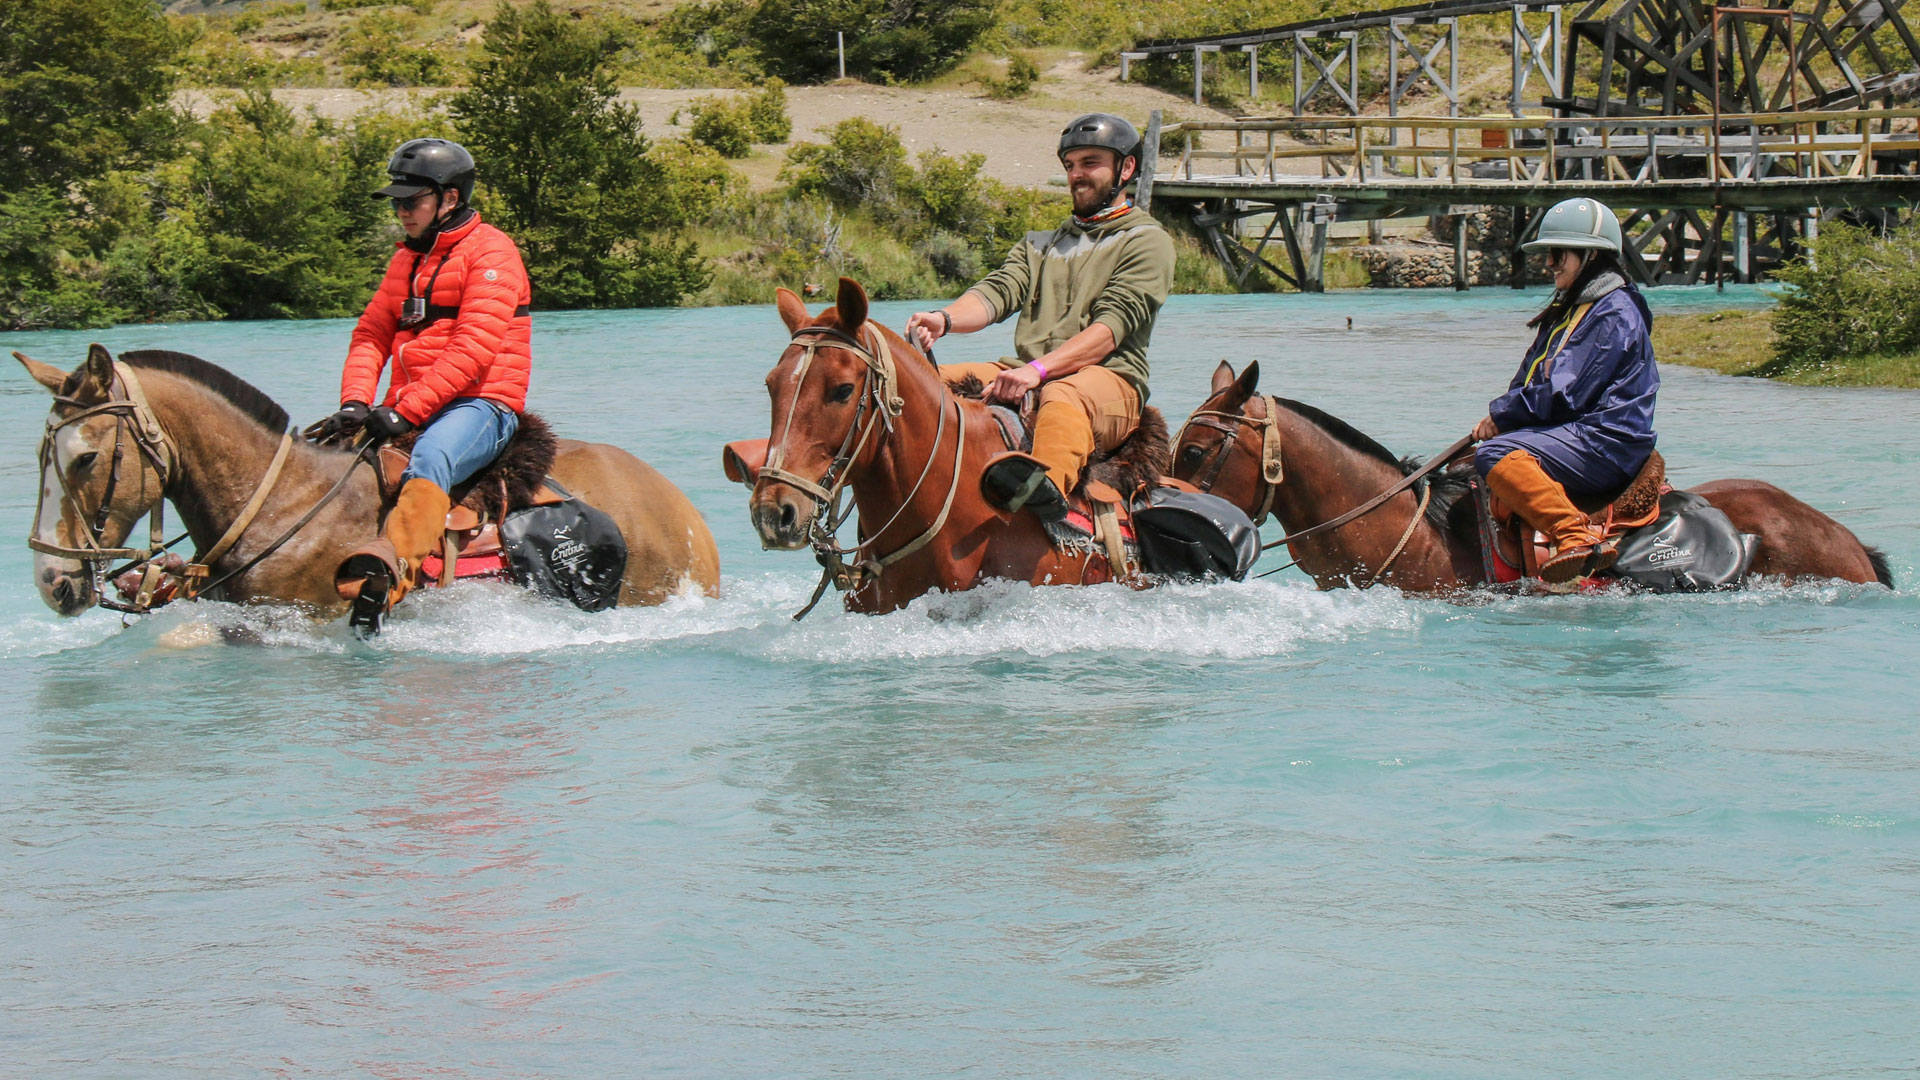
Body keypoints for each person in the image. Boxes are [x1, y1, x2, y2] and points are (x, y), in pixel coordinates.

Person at [905, 113, 1175, 522]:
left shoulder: (1148, 241)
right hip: (1024, 368)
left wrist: (1038, 371)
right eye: (1070, 165)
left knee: (1060, 397)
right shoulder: (1040, 244)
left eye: (1090, 163)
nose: (1077, 175)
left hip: (1109, 379)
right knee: (918, 384)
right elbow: (997, 292)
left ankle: (1043, 510)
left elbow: (1110, 330)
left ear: (1127, 167)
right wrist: (944, 319)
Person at [308, 137, 533, 621]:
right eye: (397, 203)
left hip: (482, 404)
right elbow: (371, 333)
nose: (402, 212)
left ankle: (393, 577)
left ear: (449, 198)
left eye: (412, 201)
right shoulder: (406, 258)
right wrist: (354, 403)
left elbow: (473, 349)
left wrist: (405, 410)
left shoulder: (492, 253)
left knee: (431, 454)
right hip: (412, 400)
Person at [1472, 196, 1659, 584]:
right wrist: (1506, 415)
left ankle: (1574, 536)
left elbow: (1563, 392)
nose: (1550, 263)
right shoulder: (1574, 309)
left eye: (1558, 253)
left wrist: (1500, 417)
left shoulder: (1614, 311)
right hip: (1578, 433)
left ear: (1590, 257)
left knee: (1495, 453)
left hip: (1606, 439)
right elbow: (1530, 379)